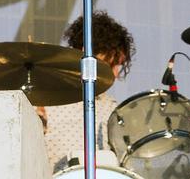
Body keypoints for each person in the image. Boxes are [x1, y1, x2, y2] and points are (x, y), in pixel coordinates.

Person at [41, 11, 134, 174]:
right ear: (86, 54)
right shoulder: (46, 101)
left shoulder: (113, 109)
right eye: (112, 64)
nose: (116, 74)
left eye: (119, 66)